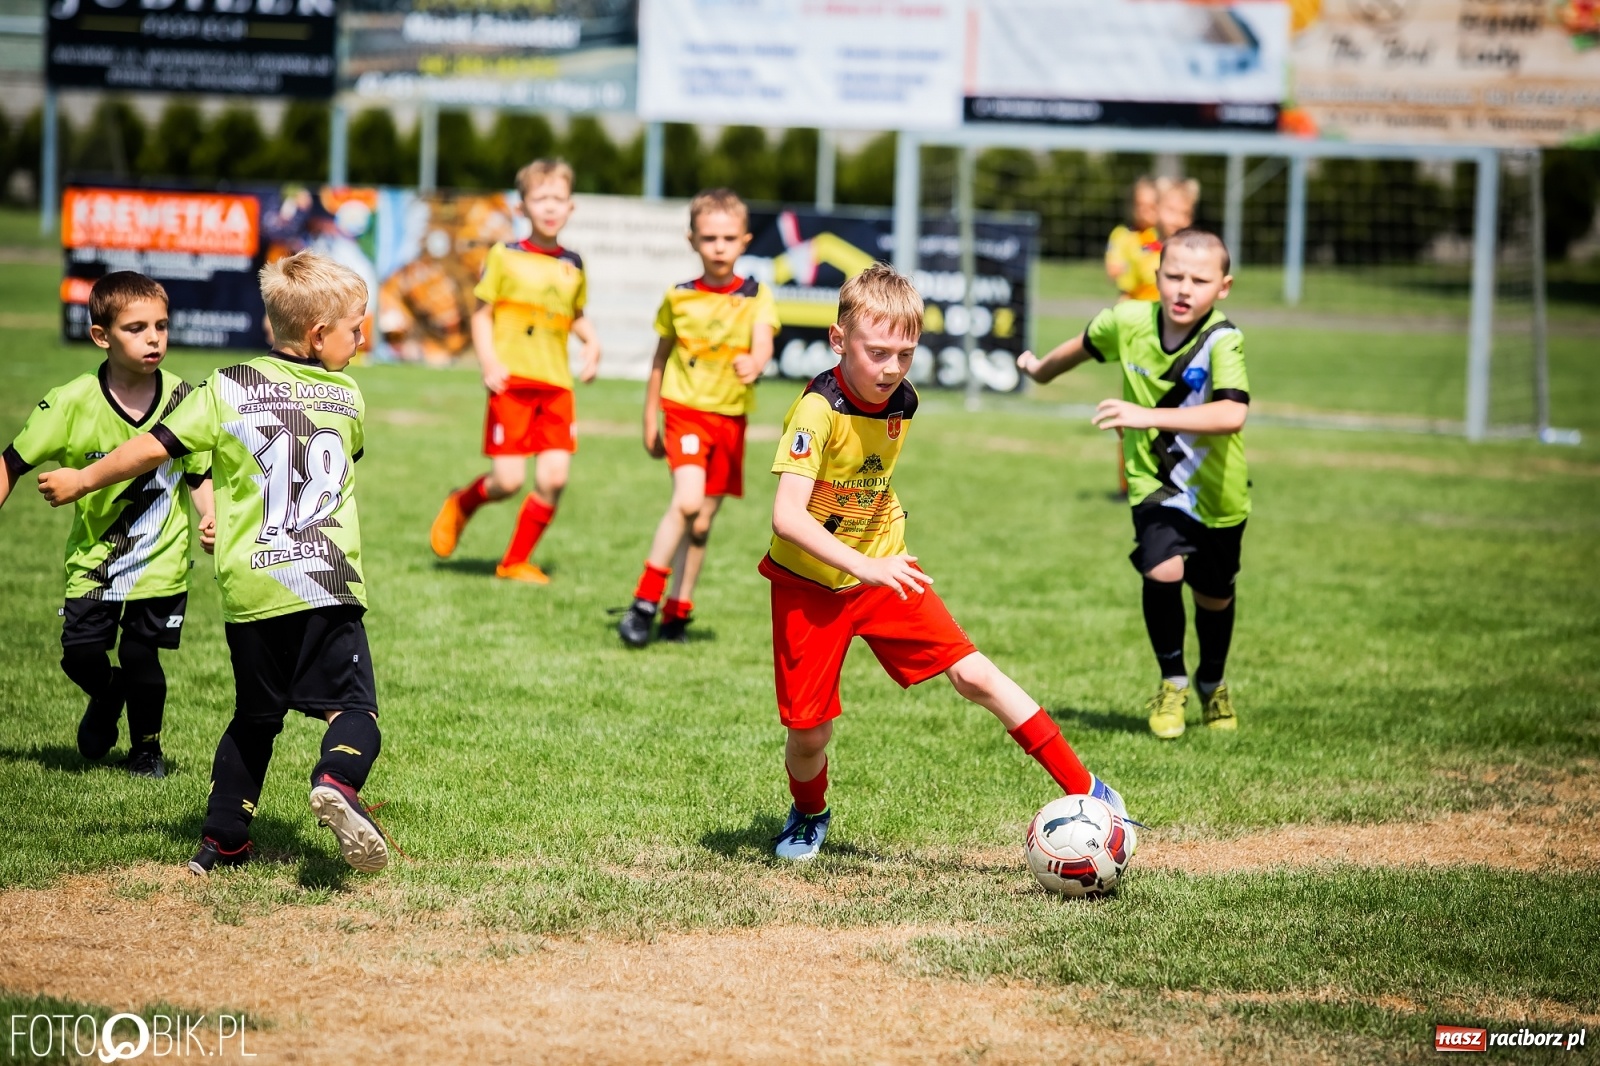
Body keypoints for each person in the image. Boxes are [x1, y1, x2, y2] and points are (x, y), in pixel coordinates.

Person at [761, 263, 1132, 861]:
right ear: (838, 340)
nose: (891, 369)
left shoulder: (903, 399)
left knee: (975, 674)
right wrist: (864, 562)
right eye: (876, 352)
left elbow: (868, 478)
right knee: (810, 735)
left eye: (905, 353)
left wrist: (881, 553)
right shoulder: (816, 411)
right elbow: (788, 517)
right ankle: (808, 813)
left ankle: (1090, 791)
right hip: (811, 584)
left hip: (885, 569)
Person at [39, 251, 391, 876]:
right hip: (323, 583)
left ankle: (222, 840)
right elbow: (319, 479)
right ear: (317, 335)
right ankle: (337, 782)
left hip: (251, 590)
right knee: (353, 710)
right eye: (355, 328)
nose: (361, 339)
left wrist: (82, 480)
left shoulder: (224, 387)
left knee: (255, 718)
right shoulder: (347, 395)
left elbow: (150, 448)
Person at [1017, 229, 1249, 740]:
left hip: (1219, 492)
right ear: (1157, 276)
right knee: (1162, 568)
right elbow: (1082, 347)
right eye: (1174, 276)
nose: (1184, 289)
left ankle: (1213, 682)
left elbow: (1234, 413)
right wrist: (1039, 372)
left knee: (1214, 597)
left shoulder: (1221, 339)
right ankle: (1173, 682)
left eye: (1199, 279)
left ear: (1223, 286)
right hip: (1155, 483)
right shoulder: (1127, 321)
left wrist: (1144, 414)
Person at [1, 272, 213, 778]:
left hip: (161, 563)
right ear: (101, 336)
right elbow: (11, 461)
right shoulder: (71, 400)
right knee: (80, 655)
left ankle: (147, 751)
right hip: (95, 563)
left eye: (161, 325)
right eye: (136, 328)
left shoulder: (186, 398)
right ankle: (107, 692)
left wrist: (210, 517)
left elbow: (198, 473)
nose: (154, 337)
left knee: (143, 658)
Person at [429, 159, 602, 584]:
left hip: (556, 385)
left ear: (570, 207)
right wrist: (489, 361)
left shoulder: (574, 264)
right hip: (511, 382)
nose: (550, 206)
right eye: (540, 198)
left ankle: (514, 562)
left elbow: (574, 314)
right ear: (522, 206)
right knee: (507, 481)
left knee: (554, 477)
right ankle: (461, 503)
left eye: (558, 198)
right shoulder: (504, 256)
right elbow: (481, 315)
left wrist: (592, 341)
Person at [618, 188, 778, 646]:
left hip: (730, 419)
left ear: (745, 240)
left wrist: (757, 361)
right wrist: (650, 417)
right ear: (692, 241)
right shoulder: (679, 297)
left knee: (703, 523)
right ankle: (644, 602)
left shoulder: (755, 295)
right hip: (685, 412)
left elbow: (764, 339)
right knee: (687, 503)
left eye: (729, 237)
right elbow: (658, 358)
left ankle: (677, 613)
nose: (719, 246)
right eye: (709, 238)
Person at [1104, 176, 1161, 302]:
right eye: (1140, 205)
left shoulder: (1163, 235)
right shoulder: (1122, 235)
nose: (1144, 211)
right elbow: (1112, 271)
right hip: (1133, 300)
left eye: (1151, 206)